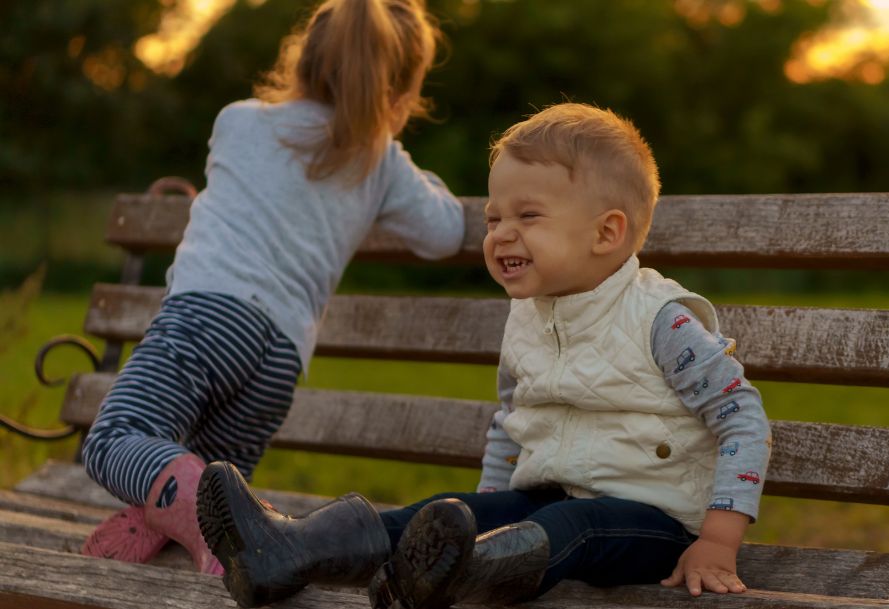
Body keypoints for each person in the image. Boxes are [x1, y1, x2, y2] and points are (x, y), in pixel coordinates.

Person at [196, 103, 772, 608]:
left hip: (654, 520)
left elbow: (742, 417)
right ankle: (287, 550)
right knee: (443, 509)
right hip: (549, 502)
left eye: (527, 216)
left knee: (576, 525)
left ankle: (455, 577)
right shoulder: (526, 318)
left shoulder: (660, 319)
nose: (500, 233)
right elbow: (510, 424)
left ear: (607, 233)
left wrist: (717, 541)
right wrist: (477, 514)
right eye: (494, 218)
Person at [79, 0, 463, 575]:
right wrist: (391, 147)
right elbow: (446, 230)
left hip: (208, 319)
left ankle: (185, 512)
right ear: (400, 90)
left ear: (303, 59)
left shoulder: (239, 121)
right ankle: (196, 540)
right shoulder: (378, 161)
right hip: (277, 363)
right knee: (220, 500)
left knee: (115, 439)